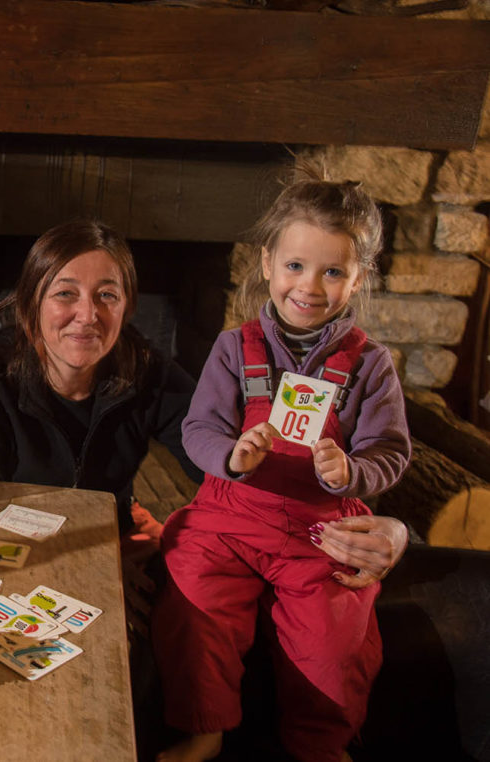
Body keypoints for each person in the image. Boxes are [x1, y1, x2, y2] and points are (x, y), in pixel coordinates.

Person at [151, 173, 412, 762]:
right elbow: (197, 429)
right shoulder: (233, 346)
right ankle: (205, 727)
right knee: (192, 593)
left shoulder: (370, 365)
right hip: (232, 514)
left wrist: (352, 473)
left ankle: (320, 745)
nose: (310, 287)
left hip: (319, 526)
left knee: (333, 635)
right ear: (268, 262)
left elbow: (391, 451)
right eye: (295, 265)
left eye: (333, 272)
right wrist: (231, 455)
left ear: (358, 278)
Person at [0, 219, 201, 533]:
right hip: (8, 546)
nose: (87, 315)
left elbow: (218, 465)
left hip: (110, 537)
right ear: (31, 303)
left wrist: (176, 539)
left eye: (107, 295)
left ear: (127, 307)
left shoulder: (148, 369)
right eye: (66, 293)